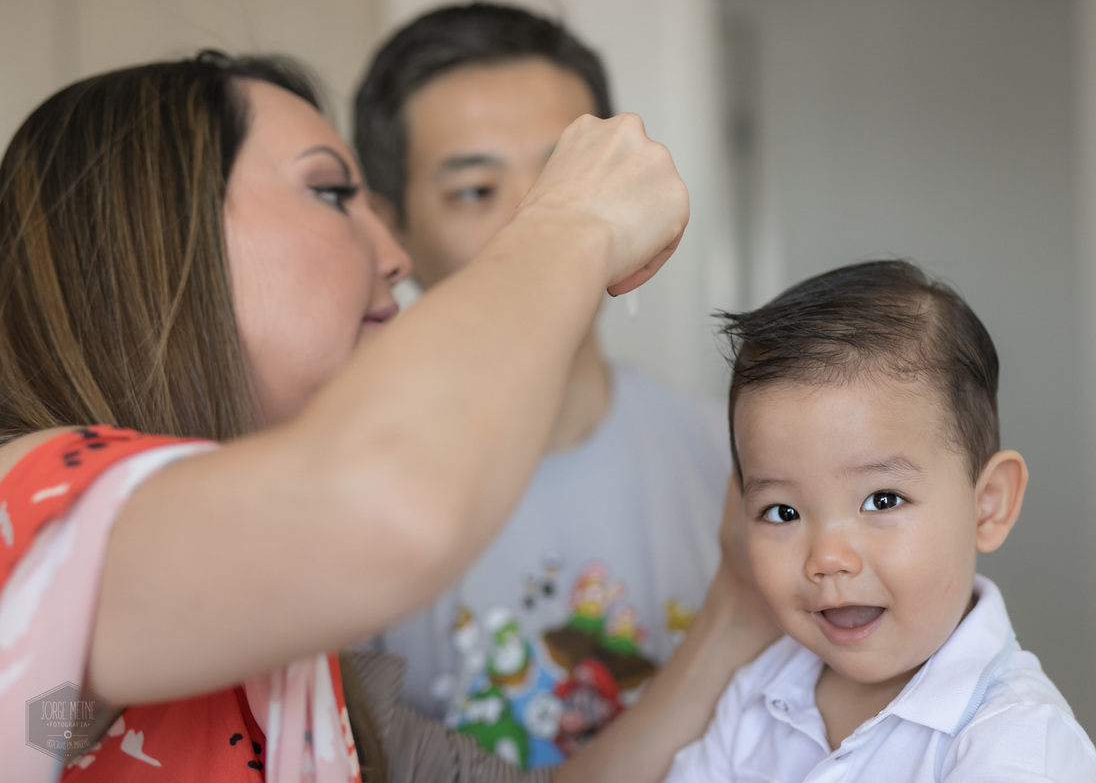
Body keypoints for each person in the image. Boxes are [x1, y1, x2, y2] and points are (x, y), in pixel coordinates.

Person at [0, 51, 777, 783]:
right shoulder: (25, 504)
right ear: (160, 234)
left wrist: (737, 612)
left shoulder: (301, 667)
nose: (394, 259)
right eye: (332, 193)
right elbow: (391, 510)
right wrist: (569, 222)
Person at [353, 0, 730, 767]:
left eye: (567, 180)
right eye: (477, 190)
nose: (544, 221)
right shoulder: (347, 493)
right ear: (393, 230)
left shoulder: (734, 458)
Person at [663, 260, 1096, 781]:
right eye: (783, 511)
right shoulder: (755, 693)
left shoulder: (1018, 741)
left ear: (988, 504)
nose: (827, 558)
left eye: (883, 500)